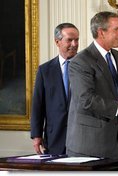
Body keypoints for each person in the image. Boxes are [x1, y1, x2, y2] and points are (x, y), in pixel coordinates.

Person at [66, 11, 118, 160]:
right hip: (89, 146)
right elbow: (86, 99)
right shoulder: (81, 61)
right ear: (101, 32)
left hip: (117, 144)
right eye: (117, 29)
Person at [30, 23, 79, 155]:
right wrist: (36, 135)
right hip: (54, 138)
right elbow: (37, 105)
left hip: (81, 138)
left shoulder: (86, 67)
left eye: (77, 40)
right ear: (57, 42)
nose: (74, 44)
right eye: (69, 40)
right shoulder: (45, 70)